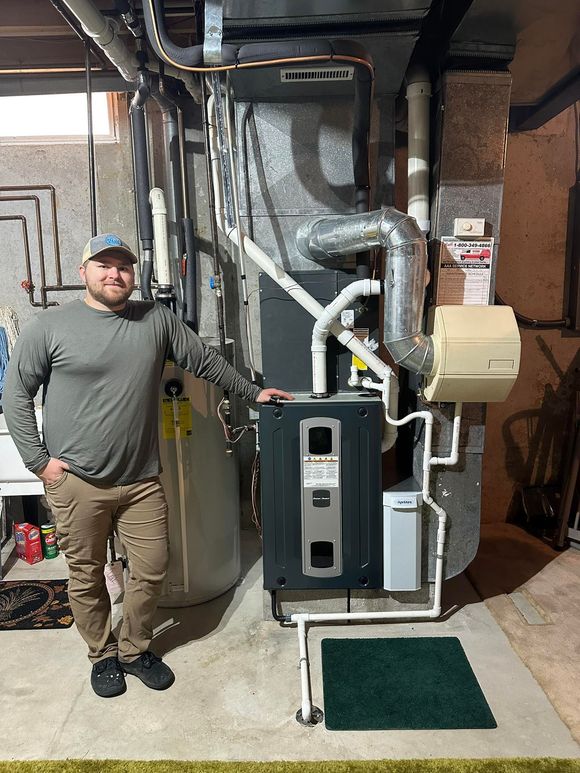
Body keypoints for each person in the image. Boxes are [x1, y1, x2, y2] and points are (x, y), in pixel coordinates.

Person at [3, 233, 293, 699]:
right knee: (86, 574)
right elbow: (15, 395)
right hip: (77, 482)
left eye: (123, 266)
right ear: (83, 273)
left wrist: (253, 392)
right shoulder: (49, 327)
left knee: (153, 568)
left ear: (133, 275)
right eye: (103, 265)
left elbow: (203, 361)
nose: (114, 274)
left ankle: (135, 649)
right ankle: (102, 656)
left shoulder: (155, 319)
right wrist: (40, 463)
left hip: (140, 480)